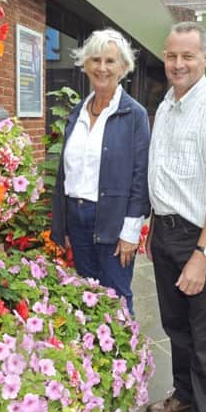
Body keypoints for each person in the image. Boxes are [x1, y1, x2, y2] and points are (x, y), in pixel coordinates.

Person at [146, 22, 206, 412]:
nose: (178, 63)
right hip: (165, 232)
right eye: (171, 55)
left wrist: (202, 254)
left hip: (199, 237)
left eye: (187, 56)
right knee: (176, 329)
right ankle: (184, 397)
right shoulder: (166, 105)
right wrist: (153, 227)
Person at [51, 29, 150, 314]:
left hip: (113, 220)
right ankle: (94, 357)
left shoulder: (135, 115)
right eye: (95, 59)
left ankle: (125, 357)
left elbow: (139, 175)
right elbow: (65, 173)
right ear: (85, 65)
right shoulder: (77, 112)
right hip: (77, 217)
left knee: (116, 296)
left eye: (110, 61)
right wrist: (64, 224)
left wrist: (131, 232)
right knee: (87, 294)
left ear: (124, 67)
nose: (102, 68)